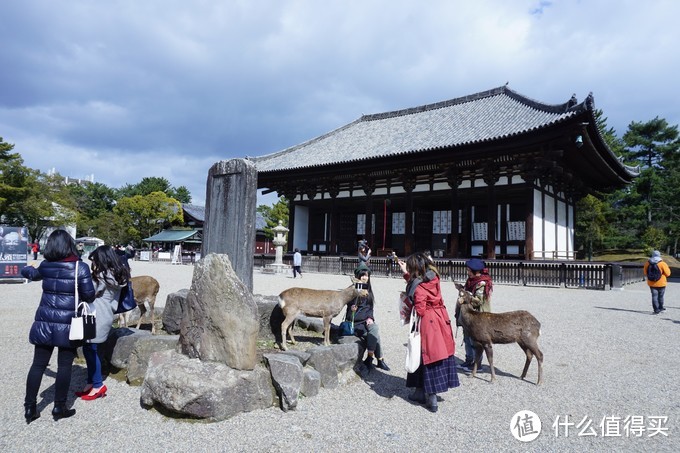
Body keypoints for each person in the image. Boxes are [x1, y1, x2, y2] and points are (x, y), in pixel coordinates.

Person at [20, 230, 96, 423]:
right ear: (69, 245)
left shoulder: (46, 265)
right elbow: (89, 296)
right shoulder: (80, 267)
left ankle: (30, 407)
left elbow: (32, 274)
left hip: (45, 321)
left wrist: (26, 269)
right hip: (68, 325)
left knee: (37, 364)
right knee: (64, 366)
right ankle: (59, 407)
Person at [398, 252, 459, 413]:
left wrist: (407, 302)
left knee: (425, 355)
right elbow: (416, 283)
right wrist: (405, 273)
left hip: (427, 323)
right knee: (436, 354)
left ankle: (431, 398)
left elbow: (420, 308)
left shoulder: (419, 289)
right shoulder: (433, 278)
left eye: (410, 268)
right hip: (441, 319)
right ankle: (419, 392)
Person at [77, 245, 131, 401]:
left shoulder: (102, 276)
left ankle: (98, 385)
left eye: (95, 260)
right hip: (106, 314)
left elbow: (88, 292)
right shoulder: (118, 274)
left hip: (96, 315)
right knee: (94, 350)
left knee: (91, 350)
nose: (94, 263)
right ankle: (91, 382)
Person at [344, 263, 390, 371]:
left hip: (365, 322)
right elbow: (348, 311)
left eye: (367, 275)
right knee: (375, 335)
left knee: (374, 328)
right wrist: (352, 308)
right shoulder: (352, 290)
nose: (365, 277)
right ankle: (379, 360)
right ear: (358, 276)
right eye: (363, 275)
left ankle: (370, 359)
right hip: (355, 323)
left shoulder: (368, 289)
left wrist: (370, 318)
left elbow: (370, 308)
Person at [457, 258, 493, 372]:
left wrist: (465, 295)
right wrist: (462, 289)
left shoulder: (481, 283)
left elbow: (478, 300)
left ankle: (477, 364)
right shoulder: (471, 280)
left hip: (478, 315)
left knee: (476, 340)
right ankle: (469, 360)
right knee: (467, 337)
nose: (467, 272)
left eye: (468, 270)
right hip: (469, 314)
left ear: (474, 271)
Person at [644, 250, 671, 314]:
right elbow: (668, 274)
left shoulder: (647, 263)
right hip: (661, 283)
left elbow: (645, 273)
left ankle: (656, 310)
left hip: (651, 283)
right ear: (659, 255)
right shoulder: (662, 263)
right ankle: (661, 308)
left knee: (654, 296)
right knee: (661, 296)